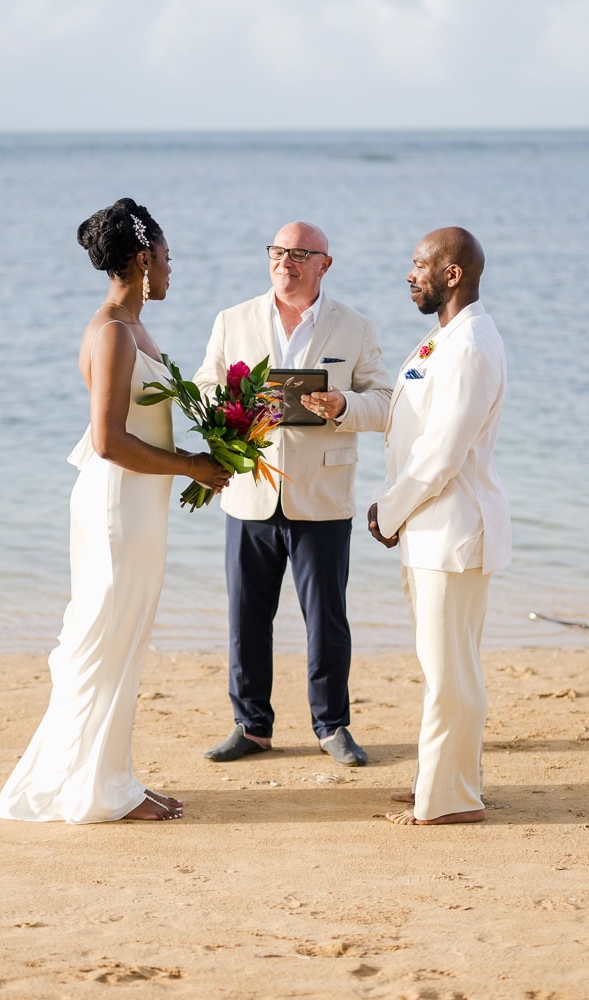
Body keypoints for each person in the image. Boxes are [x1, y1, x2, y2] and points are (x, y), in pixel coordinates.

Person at [0, 198, 230, 823]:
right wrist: (191, 465)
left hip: (140, 504)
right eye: (168, 257)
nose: (173, 268)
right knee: (104, 638)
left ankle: (113, 776)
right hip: (116, 506)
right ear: (143, 258)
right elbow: (108, 440)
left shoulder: (133, 327)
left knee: (125, 638)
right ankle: (97, 789)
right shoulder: (114, 333)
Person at [195, 222, 393, 766]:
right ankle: (251, 726)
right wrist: (234, 401)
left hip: (323, 496)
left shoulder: (354, 326)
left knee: (327, 618)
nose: (287, 261)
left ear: (324, 264)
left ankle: (332, 727)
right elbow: (205, 387)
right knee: (245, 618)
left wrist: (342, 405)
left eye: (301, 253)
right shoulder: (232, 320)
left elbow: (386, 401)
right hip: (249, 492)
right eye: (279, 251)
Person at [367, 227, 510, 825]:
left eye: (421, 264)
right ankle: (446, 778)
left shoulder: (471, 344)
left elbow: (443, 453)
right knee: (443, 665)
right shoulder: (444, 337)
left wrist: (390, 509)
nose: (410, 273)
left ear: (453, 274)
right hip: (428, 531)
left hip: (449, 531)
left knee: (451, 672)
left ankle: (449, 799)